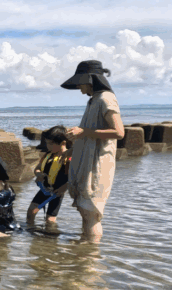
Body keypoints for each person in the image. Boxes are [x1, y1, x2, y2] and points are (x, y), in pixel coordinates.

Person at [61, 60, 125, 242]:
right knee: (86, 211)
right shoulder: (94, 100)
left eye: (80, 82)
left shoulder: (106, 98)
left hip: (97, 165)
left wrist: (84, 132)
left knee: (91, 212)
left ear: (90, 80)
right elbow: (89, 135)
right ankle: (85, 255)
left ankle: (91, 259)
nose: (79, 88)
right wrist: (72, 149)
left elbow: (119, 132)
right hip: (87, 163)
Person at [27, 126, 72, 225]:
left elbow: (74, 177)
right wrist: (39, 174)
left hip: (57, 193)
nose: (48, 146)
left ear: (63, 143)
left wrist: (64, 188)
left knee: (50, 219)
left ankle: (50, 237)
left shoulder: (69, 158)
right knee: (31, 211)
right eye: (47, 143)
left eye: (51, 144)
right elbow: (37, 168)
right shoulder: (48, 155)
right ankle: (31, 232)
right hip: (44, 189)